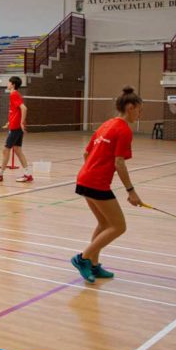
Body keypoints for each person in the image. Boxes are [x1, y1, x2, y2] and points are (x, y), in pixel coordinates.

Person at [70, 86, 143, 283]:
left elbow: (86, 153)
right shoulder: (124, 130)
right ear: (130, 107)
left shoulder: (106, 125)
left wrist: (92, 170)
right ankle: (82, 258)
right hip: (96, 182)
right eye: (138, 109)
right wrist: (131, 191)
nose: (139, 113)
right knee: (119, 226)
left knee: (104, 224)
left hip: (84, 178)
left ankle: (93, 264)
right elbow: (119, 162)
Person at [0, 76, 33, 183]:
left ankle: (0, 174)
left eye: (8, 83)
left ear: (13, 84)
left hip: (16, 128)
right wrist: (10, 121)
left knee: (6, 150)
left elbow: (24, 108)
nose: (7, 84)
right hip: (14, 126)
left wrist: (21, 122)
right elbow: (15, 111)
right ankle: (27, 174)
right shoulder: (14, 94)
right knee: (17, 150)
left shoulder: (14, 94)